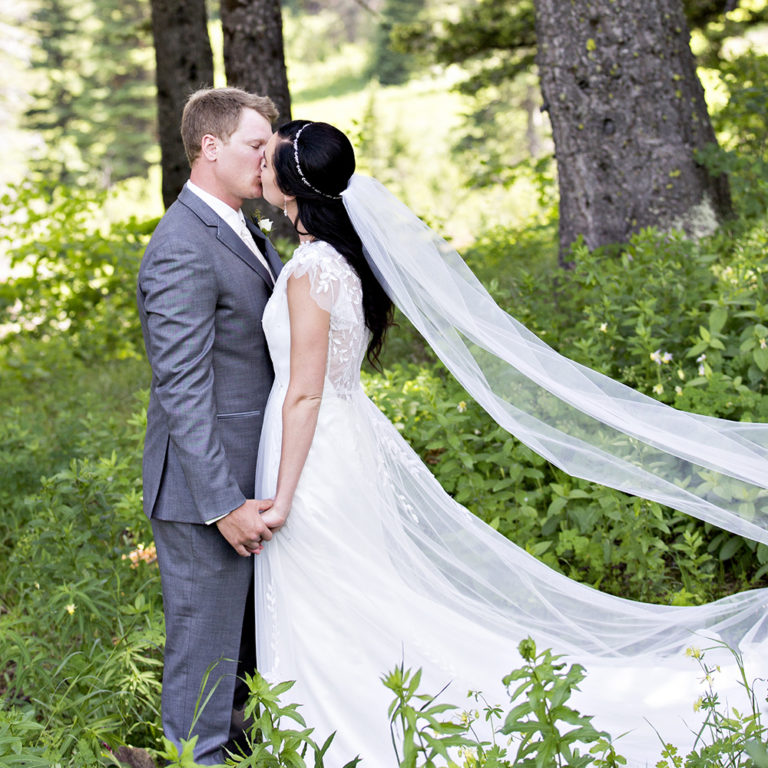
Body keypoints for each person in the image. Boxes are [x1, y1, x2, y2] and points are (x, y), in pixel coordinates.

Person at [251, 118, 768, 767]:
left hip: (315, 454)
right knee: (355, 587)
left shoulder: (310, 271)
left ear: (294, 185)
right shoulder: (342, 264)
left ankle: (343, 727)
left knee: (333, 590)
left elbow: (303, 392)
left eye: (267, 160)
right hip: (342, 441)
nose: (259, 169)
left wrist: (280, 497)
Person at [136, 87, 285, 764]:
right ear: (211, 147)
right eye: (257, 145)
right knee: (204, 662)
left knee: (247, 656)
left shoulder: (241, 227)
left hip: (248, 479)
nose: (268, 158)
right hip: (205, 495)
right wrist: (221, 501)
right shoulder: (181, 246)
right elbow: (183, 388)